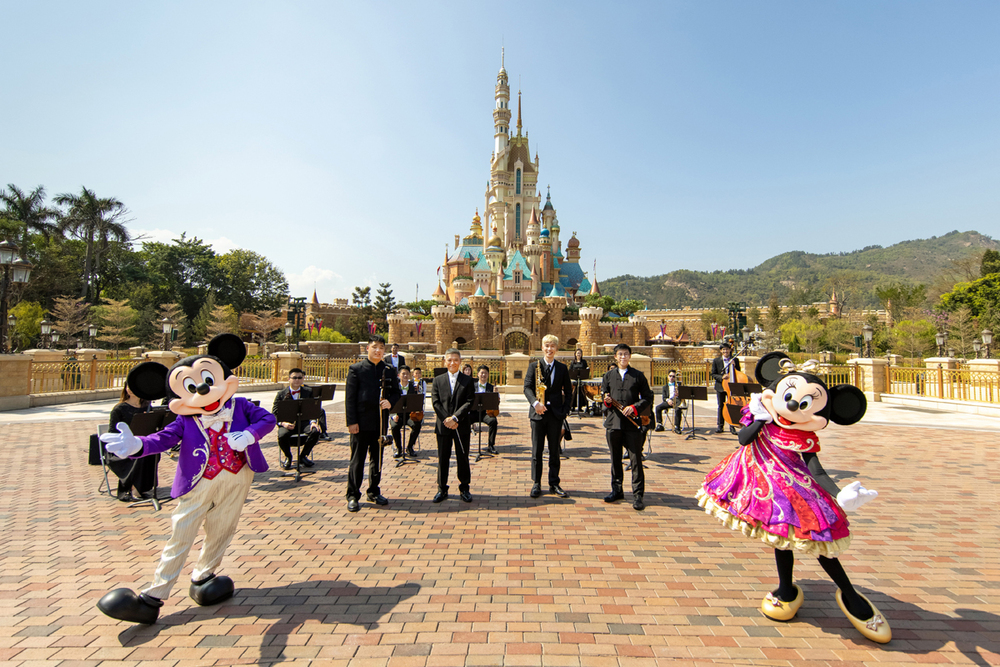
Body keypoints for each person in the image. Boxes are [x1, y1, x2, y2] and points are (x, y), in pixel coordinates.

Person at [96, 334, 276, 625]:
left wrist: (250, 435)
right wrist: (137, 446)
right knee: (182, 534)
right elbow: (163, 439)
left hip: (239, 477)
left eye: (208, 379)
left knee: (222, 529)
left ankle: (204, 575)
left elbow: (268, 420)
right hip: (198, 482)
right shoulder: (185, 420)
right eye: (192, 386)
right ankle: (153, 596)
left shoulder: (240, 406)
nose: (203, 388)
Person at [345, 334, 401, 512]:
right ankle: (353, 495)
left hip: (380, 422)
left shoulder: (389, 370)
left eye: (381, 348)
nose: (378, 350)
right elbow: (350, 398)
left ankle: (373, 491)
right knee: (357, 460)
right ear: (367, 348)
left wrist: (390, 402)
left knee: (377, 459)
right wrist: (351, 422)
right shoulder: (356, 369)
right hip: (360, 423)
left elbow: (397, 392)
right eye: (375, 347)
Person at [600, 342, 654, 511]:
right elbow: (604, 396)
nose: (623, 357)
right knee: (615, 459)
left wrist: (635, 408)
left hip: (632, 424)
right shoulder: (608, 376)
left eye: (626, 354)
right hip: (614, 424)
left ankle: (638, 495)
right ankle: (617, 490)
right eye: (620, 354)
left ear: (630, 356)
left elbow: (648, 397)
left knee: (635, 459)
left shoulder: (638, 376)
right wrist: (607, 402)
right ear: (615, 357)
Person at [523, 334, 573, 498]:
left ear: (556, 348)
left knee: (554, 450)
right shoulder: (533, 366)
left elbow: (568, 390)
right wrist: (535, 404)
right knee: (536, 450)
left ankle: (554, 483)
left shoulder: (562, 368)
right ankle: (536, 483)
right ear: (542, 348)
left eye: (552, 346)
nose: (549, 349)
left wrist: (565, 410)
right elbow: (527, 388)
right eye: (546, 346)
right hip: (538, 414)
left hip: (555, 415)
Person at [431, 348, 475, 503]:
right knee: (443, 458)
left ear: (460, 361)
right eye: (449, 360)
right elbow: (435, 402)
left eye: (455, 360)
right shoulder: (438, 380)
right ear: (445, 361)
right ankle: (442, 488)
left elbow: (469, 402)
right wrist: (447, 419)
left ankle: (464, 488)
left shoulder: (467, 380)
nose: (452, 363)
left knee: (462, 456)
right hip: (443, 426)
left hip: (461, 425)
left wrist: (455, 418)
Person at [107, 386, 154, 502]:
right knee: (139, 454)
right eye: (128, 386)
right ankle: (133, 489)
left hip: (140, 442)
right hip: (121, 446)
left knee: (152, 452)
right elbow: (113, 432)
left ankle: (143, 487)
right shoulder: (119, 409)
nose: (131, 389)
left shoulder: (147, 407)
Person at [272, 368, 320, 469]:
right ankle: (288, 457)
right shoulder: (281, 394)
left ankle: (303, 456)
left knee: (315, 431)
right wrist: (283, 423)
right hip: (287, 423)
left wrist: (313, 422)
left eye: (299, 377)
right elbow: (274, 413)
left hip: (303, 422)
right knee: (282, 435)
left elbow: (312, 409)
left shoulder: (308, 391)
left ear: (303, 379)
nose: (297, 380)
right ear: (289, 379)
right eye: (294, 378)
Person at [390, 365, 422, 459]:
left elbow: (416, 402)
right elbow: (390, 404)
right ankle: (399, 449)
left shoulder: (413, 388)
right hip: (397, 414)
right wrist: (393, 415)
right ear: (399, 375)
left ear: (409, 376)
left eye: (407, 374)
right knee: (394, 426)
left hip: (409, 415)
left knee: (417, 424)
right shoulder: (394, 388)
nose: (405, 376)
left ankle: (410, 447)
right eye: (403, 374)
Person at [711, 342, 741, 434]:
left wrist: (734, 366)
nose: (725, 351)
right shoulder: (716, 361)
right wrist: (722, 377)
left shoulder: (735, 360)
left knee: (731, 407)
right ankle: (720, 426)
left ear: (730, 350)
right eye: (723, 349)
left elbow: (739, 373)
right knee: (721, 406)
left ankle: (732, 426)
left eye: (727, 349)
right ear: (721, 351)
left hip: (731, 387)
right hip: (720, 386)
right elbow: (713, 374)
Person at [471, 365, 499, 455]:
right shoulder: (471, 386)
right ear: (478, 374)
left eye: (485, 373)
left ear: (488, 375)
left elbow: (495, 404)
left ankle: (491, 445)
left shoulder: (491, 387)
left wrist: (496, 396)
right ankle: (465, 445)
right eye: (482, 373)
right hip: (473, 412)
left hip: (485, 413)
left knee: (493, 421)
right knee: (464, 420)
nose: (483, 375)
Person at [653, 369, 684, 434]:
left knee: (678, 409)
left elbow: (685, 394)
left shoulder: (679, 385)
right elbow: (664, 397)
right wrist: (668, 400)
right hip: (668, 401)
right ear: (668, 376)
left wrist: (679, 394)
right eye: (670, 376)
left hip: (677, 400)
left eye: (673, 376)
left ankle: (677, 426)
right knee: (658, 407)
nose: (672, 378)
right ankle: (660, 424)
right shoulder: (665, 387)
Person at [568, 348, 590, 413]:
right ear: (575, 354)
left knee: (581, 393)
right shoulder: (573, 362)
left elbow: (586, 369)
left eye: (580, 353)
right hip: (575, 380)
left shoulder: (583, 362)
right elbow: (570, 370)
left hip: (581, 380)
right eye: (577, 353)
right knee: (574, 394)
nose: (578, 354)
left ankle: (580, 407)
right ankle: (572, 407)